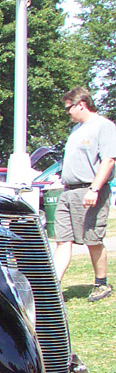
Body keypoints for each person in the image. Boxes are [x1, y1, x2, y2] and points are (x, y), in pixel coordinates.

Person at [53, 87, 114, 302]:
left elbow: (109, 160)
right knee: (63, 240)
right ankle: (54, 286)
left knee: (92, 239)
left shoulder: (104, 127)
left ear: (81, 104)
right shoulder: (76, 130)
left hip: (89, 190)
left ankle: (101, 284)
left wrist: (94, 189)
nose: (67, 112)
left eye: (69, 108)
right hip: (68, 192)